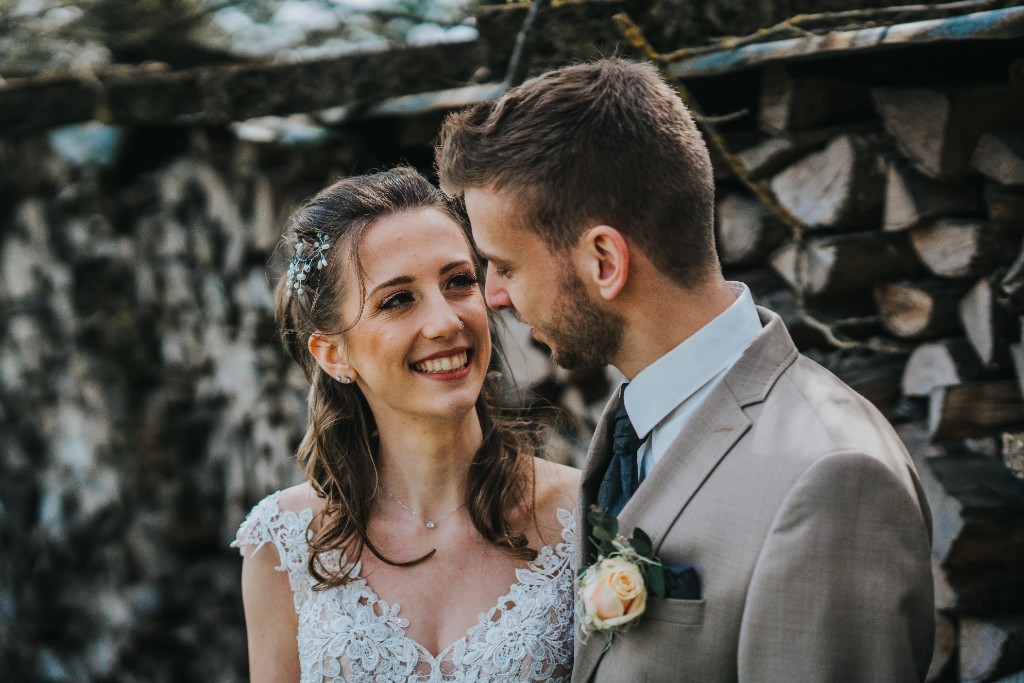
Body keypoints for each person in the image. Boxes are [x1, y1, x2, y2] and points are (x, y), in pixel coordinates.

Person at [437, 58, 935, 682]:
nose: (494, 296)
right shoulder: (637, 423)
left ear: (604, 260)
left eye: (505, 265)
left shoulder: (832, 477)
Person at [232, 167, 579, 682]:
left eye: (459, 282)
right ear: (333, 354)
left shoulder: (581, 516)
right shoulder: (281, 545)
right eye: (398, 299)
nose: (445, 322)